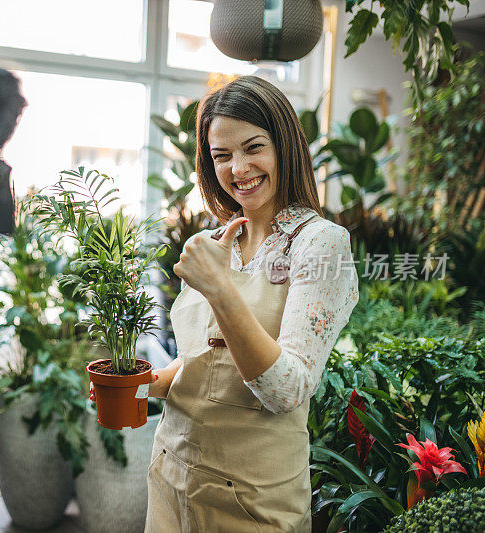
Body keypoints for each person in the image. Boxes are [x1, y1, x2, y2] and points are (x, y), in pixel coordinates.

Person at [143, 76, 359, 532]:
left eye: (253, 148)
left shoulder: (320, 246)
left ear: (284, 146)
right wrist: (148, 383)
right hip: (172, 477)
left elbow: (288, 390)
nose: (237, 169)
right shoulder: (211, 242)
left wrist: (220, 289)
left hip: (251, 501)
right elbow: (200, 363)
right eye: (221, 156)